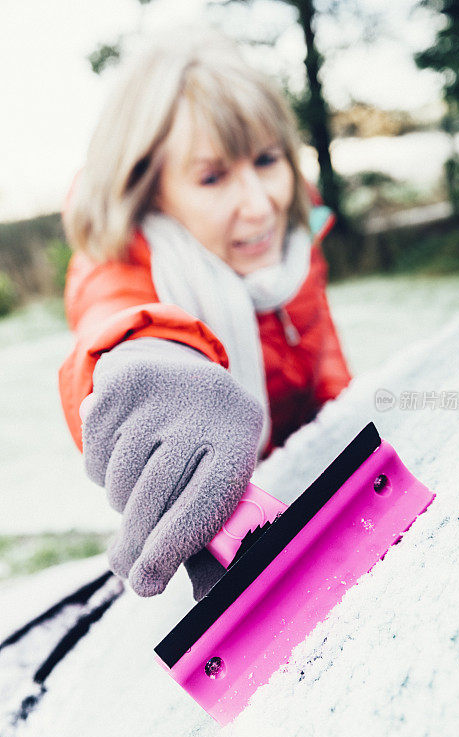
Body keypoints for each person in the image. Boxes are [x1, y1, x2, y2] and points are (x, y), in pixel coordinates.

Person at [59, 30, 352, 601]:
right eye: (213, 177)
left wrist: (345, 445)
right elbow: (114, 325)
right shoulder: (120, 263)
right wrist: (158, 374)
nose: (260, 202)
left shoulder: (293, 242)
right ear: (152, 191)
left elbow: (326, 368)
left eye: (267, 160)